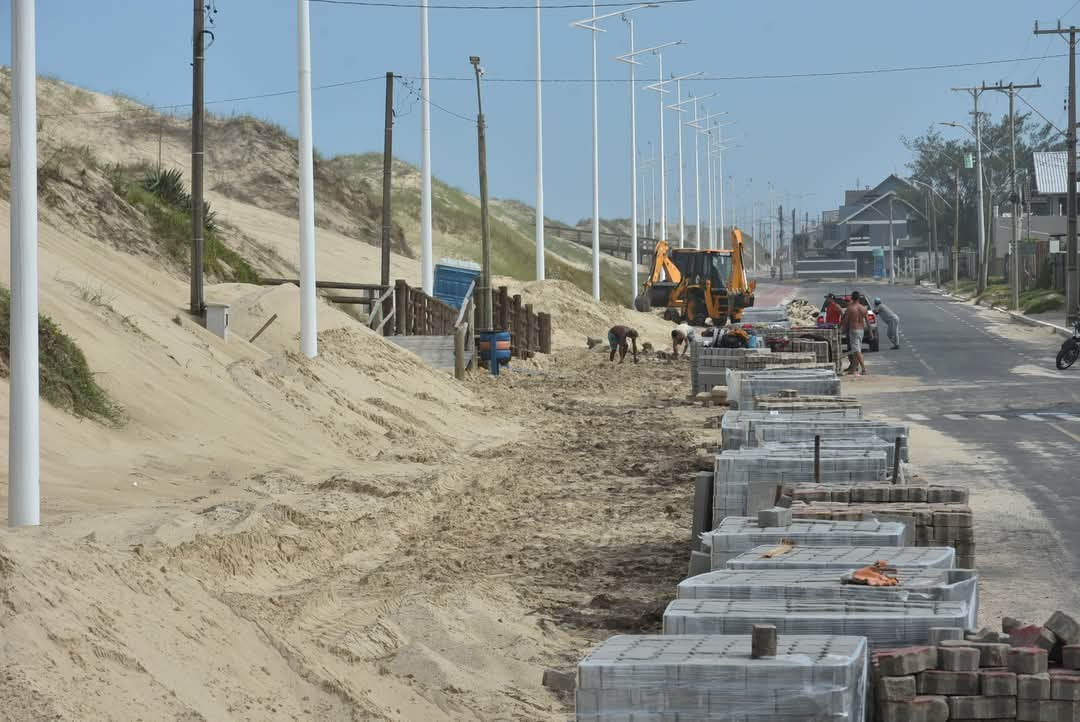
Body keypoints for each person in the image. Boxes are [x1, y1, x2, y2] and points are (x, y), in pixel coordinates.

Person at [840, 295, 870, 375]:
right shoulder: (863, 308)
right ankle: (853, 369)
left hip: (854, 330)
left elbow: (845, 321)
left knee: (856, 350)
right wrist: (870, 331)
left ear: (852, 299)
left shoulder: (850, 308)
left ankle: (864, 369)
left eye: (846, 301)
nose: (845, 303)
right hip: (861, 330)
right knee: (855, 350)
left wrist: (842, 330)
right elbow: (868, 321)